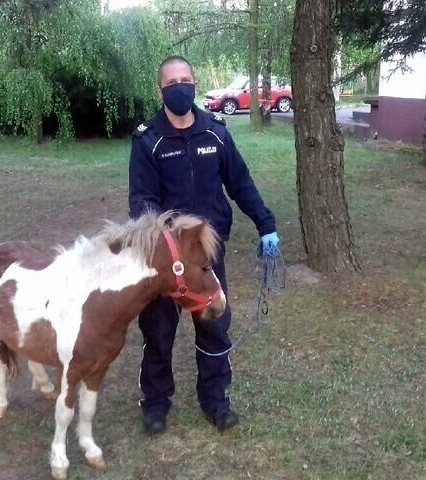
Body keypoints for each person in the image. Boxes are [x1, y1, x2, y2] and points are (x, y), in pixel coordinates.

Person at [128, 55, 279, 434]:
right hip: (165, 261)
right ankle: (156, 403)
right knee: (159, 331)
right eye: (172, 81)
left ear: (194, 84)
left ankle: (215, 401)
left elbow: (240, 182)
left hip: (208, 256)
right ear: (161, 90)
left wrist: (266, 224)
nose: (180, 86)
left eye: (186, 79)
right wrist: (167, 246)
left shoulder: (216, 131)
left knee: (214, 326)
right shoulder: (148, 139)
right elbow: (141, 204)